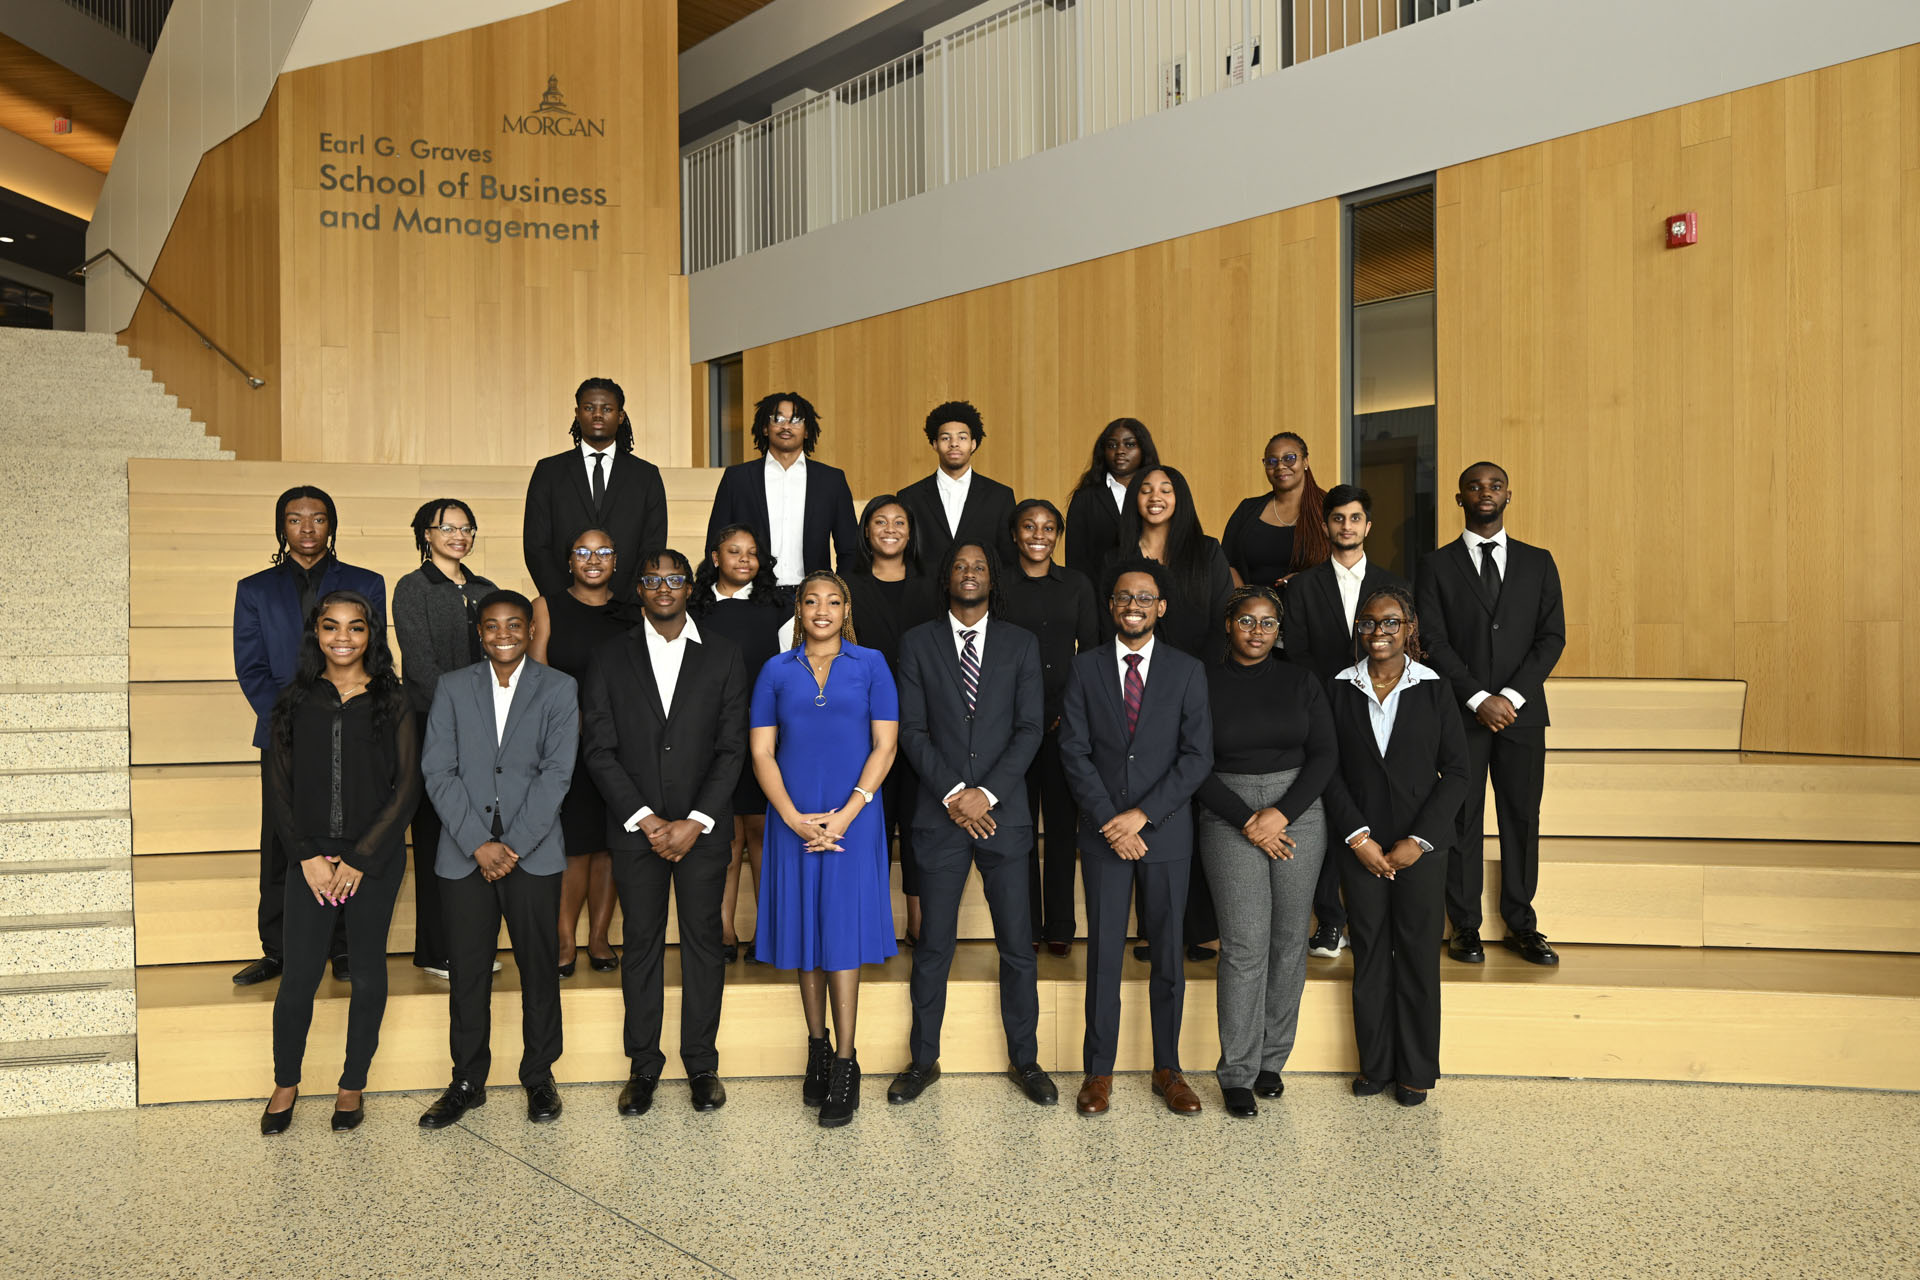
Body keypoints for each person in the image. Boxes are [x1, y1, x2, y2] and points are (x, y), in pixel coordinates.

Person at [582, 551, 750, 1118]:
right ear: (639, 588)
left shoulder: (724, 657)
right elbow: (599, 750)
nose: (662, 587)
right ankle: (643, 1067)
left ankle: (701, 1063)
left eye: (673, 578)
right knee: (643, 946)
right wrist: (648, 819)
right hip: (638, 832)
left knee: (705, 944)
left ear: (688, 586)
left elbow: (732, 749)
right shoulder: (609, 657)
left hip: (703, 829)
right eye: (651, 578)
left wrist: (695, 820)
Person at [889, 542, 1055, 1108]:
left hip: (1002, 819)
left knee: (1017, 945)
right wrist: (957, 795)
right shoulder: (916, 643)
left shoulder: (1020, 644)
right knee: (933, 944)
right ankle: (922, 1061)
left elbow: (1031, 728)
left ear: (993, 578)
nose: (969, 573)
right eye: (959, 565)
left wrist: (986, 794)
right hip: (940, 819)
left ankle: (1026, 1060)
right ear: (947, 577)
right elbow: (911, 730)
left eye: (979, 566)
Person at [259, 591, 418, 1134]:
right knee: (298, 977)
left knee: (368, 972)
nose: (343, 638)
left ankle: (352, 1086)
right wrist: (307, 856)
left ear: (372, 634)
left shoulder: (393, 700)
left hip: (370, 858)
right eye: (331, 627)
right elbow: (277, 788)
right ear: (316, 634)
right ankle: (286, 1082)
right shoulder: (293, 700)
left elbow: (406, 788)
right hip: (308, 861)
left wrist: (358, 858)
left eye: (355, 627)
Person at [1058, 559, 1213, 1118]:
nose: (1133, 606)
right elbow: (1073, 751)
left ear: (1161, 607)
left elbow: (1197, 757)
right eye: (1124, 597)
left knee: (1169, 956)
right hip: (1103, 835)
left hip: (1165, 834)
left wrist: (1142, 816)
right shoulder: (1084, 668)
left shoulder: (1188, 670)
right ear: (1111, 606)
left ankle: (1168, 1068)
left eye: (1144, 597)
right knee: (1102, 955)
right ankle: (1098, 1072)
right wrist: (1111, 820)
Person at [417, 591, 577, 1128]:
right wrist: (477, 843)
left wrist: (513, 846)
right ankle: (467, 1080)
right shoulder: (453, 687)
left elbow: (558, 774)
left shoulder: (559, 688)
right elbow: (438, 771)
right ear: (479, 633)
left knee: (539, 968)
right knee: (467, 972)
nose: (502, 633)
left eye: (513, 624)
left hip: (533, 853)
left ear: (531, 629)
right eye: (491, 626)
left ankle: (539, 1076)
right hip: (465, 855)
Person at [750, 571, 900, 1128]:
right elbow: (763, 752)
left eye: (832, 601)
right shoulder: (774, 670)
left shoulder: (873, 664)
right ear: (798, 608)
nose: (821, 609)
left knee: (838, 933)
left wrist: (845, 814)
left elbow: (885, 744)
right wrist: (792, 819)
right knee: (805, 932)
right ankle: (817, 1046)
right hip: (793, 818)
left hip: (852, 819)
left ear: (846, 609)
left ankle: (845, 1061)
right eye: (811, 600)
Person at [232, 487, 386, 987]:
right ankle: (277, 949)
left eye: (317, 519)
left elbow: (374, 653)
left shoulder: (367, 582)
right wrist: (292, 721)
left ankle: (343, 949)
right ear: (282, 527)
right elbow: (252, 668)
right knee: (281, 842)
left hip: (357, 727)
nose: (306, 528)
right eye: (295, 519)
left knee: (348, 833)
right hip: (284, 733)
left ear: (331, 525)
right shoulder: (254, 589)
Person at [1322, 587, 1469, 1106]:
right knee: (1370, 957)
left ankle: (1416, 1071)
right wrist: (1358, 837)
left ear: (1410, 628)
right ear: (1358, 630)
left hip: (1420, 850)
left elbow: (1457, 772)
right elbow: (1328, 771)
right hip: (1360, 846)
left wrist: (1419, 840)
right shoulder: (1338, 689)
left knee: (1416, 958)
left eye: (1390, 623)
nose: (1378, 632)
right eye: (1368, 623)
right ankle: (1376, 1065)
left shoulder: (1435, 688)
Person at [1416, 462, 1566, 967]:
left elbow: (1551, 638)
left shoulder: (1539, 562)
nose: (1486, 492)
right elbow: (1433, 641)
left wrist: (1512, 698)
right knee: (1462, 817)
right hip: (1461, 715)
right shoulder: (1435, 566)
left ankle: (1523, 923)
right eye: (1475, 486)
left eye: (1495, 485)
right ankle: (1465, 926)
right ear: (1460, 499)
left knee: (1521, 818)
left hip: (1522, 717)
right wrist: (1479, 698)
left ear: (1509, 495)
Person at [1194, 587, 1335, 1117]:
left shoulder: (1301, 680)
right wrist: (1247, 819)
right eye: (1247, 621)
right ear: (1228, 624)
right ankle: (1236, 1071)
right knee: (1245, 945)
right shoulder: (1200, 681)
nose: (1257, 631)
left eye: (1268, 623)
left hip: (1299, 810)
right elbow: (1191, 761)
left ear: (1280, 631)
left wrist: (1281, 813)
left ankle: (1271, 1062)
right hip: (1228, 812)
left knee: (1287, 941)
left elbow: (1324, 753)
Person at [1108, 465, 1232, 959]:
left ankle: (1198, 925)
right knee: (1135, 795)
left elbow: (1224, 621)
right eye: (1145, 489)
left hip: (1194, 688)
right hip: (1131, 693)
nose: (1155, 497)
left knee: (1191, 805)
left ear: (1180, 498)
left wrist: (1194, 682)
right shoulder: (1118, 557)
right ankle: (1152, 928)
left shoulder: (1206, 551)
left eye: (1166, 489)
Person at [1280, 484, 1408, 960]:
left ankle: (1378, 918)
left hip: (1383, 708)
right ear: (1326, 525)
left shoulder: (1396, 585)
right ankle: (1331, 921)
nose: (1346, 527)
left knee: (1378, 804)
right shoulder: (1304, 586)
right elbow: (1297, 650)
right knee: (1331, 813)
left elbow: (1406, 647)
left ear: (1367, 526)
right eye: (1338, 519)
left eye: (1355, 519)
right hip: (1326, 708)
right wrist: (1335, 692)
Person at [392, 499, 497, 979]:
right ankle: (436, 950)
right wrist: (465, 714)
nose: (459, 535)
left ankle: (471, 946)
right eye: (448, 527)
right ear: (426, 534)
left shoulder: (485, 589)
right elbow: (418, 663)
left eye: (466, 527)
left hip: (484, 730)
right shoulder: (412, 588)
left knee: (478, 832)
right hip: (433, 725)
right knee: (438, 835)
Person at [529, 529, 634, 976]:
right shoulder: (546, 606)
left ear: (616, 560)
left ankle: (600, 938)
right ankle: (565, 938)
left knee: (610, 845)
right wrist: (573, 723)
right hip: (564, 740)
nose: (594, 559)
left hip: (621, 744)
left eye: (604, 552)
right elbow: (537, 673)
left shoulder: (632, 611)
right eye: (584, 552)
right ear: (569, 560)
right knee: (573, 845)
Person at [998, 499, 1099, 954]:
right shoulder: (997, 582)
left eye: (1048, 528)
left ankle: (1059, 926)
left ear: (1058, 535)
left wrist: (1071, 712)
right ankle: (1025, 926)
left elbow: (1093, 654)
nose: (1039, 535)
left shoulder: (1077, 584)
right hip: (1011, 726)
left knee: (1061, 829)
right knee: (1018, 829)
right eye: (1029, 527)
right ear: (1015, 533)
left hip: (1065, 723)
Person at [842, 495, 940, 946]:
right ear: (866, 531)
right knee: (868, 824)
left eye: (899, 521)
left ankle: (919, 920)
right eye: (879, 521)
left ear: (910, 531)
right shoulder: (848, 586)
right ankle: (868, 919)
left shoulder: (933, 585)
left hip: (925, 722)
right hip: (863, 726)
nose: (889, 528)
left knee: (919, 824)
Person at [691, 525, 790, 964]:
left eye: (752, 553)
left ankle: (768, 933)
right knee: (725, 837)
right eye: (734, 552)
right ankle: (724, 930)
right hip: (715, 735)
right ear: (716, 557)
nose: (744, 559)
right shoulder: (696, 609)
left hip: (768, 732)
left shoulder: (778, 607)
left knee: (764, 835)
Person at [523, 376, 668, 602]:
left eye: (607, 408)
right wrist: (562, 599)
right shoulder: (548, 471)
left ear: (620, 416)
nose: (598, 414)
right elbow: (536, 545)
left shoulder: (646, 475)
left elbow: (652, 545)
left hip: (626, 607)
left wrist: (629, 600)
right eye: (589, 407)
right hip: (564, 606)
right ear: (577, 413)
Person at [704, 391, 858, 584]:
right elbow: (715, 542)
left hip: (812, 597)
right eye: (777, 419)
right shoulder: (737, 478)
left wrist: (837, 591)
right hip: (750, 594)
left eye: (795, 420)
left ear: (807, 430)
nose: (786, 426)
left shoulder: (832, 480)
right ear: (765, 428)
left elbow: (850, 549)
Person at [897, 400, 1018, 569]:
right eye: (946, 438)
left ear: (973, 444)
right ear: (935, 444)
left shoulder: (1000, 496)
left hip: (983, 593)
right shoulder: (909, 496)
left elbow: (1008, 557)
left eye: (962, 437)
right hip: (924, 592)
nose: (954, 443)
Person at [1220, 432, 1331, 590]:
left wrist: (1305, 580)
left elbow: (1345, 562)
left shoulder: (1329, 508)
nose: (1280, 466)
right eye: (1272, 461)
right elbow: (1227, 563)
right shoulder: (1247, 509)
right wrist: (1245, 601)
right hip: (1254, 611)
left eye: (1289, 458)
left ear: (1305, 461)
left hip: (1308, 607)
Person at [1063, 417, 1160, 583]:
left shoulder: (1159, 497)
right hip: (1099, 597)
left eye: (1129, 444)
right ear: (1103, 451)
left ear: (1143, 450)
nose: (1120, 451)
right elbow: (1076, 561)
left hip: (1153, 596)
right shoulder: (1085, 498)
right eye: (1112, 445)